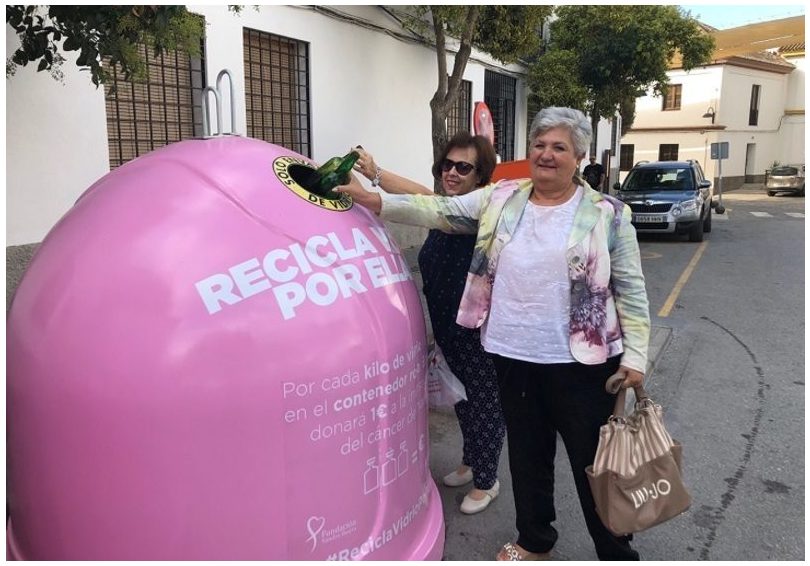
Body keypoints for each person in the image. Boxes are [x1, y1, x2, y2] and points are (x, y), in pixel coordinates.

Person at [337, 107, 650, 561]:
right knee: (527, 454)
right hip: (512, 353)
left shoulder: (608, 214)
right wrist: (374, 201)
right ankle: (535, 540)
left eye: (559, 147)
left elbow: (632, 290)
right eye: (539, 145)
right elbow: (438, 208)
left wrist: (635, 356)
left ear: (578, 155)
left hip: (584, 364)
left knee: (594, 465)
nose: (546, 154)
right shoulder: (502, 198)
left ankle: (615, 552)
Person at [352, 133, 505, 515]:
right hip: (448, 329)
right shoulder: (444, 206)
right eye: (447, 166)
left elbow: (421, 204)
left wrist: (368, 194)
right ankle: (472, 461)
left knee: (484, 402)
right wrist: (375, 172)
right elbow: (421, 194)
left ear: (480, 176)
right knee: (463, 401)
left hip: (475, 331)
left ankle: (488, 481)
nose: (452, 173)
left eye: (463, 167)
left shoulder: (474, 216)